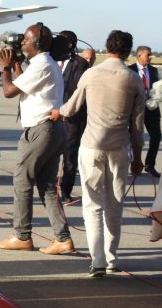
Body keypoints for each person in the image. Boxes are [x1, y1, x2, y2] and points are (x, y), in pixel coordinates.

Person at [51, 30, 144, 278]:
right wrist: (138, 156)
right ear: (128, 51)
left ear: (107, 47)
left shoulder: (91, 74)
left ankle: (98, 261)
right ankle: (112, 258)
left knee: (92, 205)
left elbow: (72, 107)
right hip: (119, 148)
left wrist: (58, 112)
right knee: (115, 206)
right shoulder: (133, 79)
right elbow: (137, 124)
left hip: (91, 145)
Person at [0, 23, 75, 255]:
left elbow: (9, 91)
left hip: (41, 130)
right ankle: (63, 239)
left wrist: (5, 68)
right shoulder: (45, 63)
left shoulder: (41, 65)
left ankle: (22, 236)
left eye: (26, 40)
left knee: (22, 181)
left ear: (37, 43)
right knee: (47, 186)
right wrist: (16, 65)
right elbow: (25, 87)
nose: (22, 42)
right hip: (52, 130)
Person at [57, 30, 90, 203]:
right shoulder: (49, 60)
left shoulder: (80, 64)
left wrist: (65, 110)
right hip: (49, 116)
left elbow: (77, 91)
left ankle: (65, 191)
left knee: (70, 157)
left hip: (71, 118)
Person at [129, 45, 161, 178]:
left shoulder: (154, 70)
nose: (150, 57)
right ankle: (134, 165)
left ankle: (150, 165)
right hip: (135, 110)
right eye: (148, 55)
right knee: (134, 139)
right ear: (139, 55)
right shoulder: (129, 70)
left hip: (151, 109)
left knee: (156, 137)